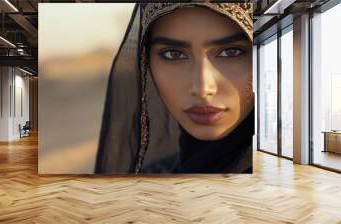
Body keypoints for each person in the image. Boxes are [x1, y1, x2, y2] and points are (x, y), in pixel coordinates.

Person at [95, 2, 254, 174]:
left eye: (231, 52)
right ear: (146, 61)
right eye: (174, 54)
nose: (202, 89)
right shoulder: (148, 180)